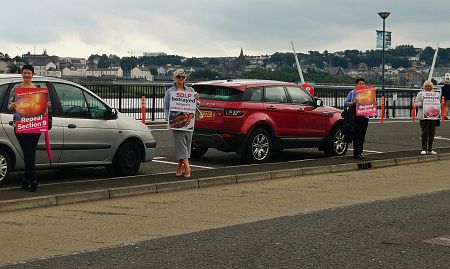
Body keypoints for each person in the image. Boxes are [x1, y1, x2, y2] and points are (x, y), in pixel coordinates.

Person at [8, 65, 42, 191]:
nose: (27, 75)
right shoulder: (16, 89)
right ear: (21, 74)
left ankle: (25, 179)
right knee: (28, 152)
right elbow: (9, 107)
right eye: (25, 73)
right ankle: (33, 180)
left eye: (29, 73)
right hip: (21, 125)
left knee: (30, 153)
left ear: (33, 74)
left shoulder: (37, 89)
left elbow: (41, 106)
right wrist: (13, 105)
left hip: (35, 124)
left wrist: (46, 105)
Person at [163, 69, 197, 179]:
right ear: (174, 78)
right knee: (181, 145)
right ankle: (188, 168)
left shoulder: (191, 90)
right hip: (176, 121)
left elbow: (196, 106)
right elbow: (166, 107)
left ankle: (179, 167)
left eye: (183, 77)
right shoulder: (170, 92)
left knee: (186, 145)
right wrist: (168, 119)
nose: (181, 79)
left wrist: (197, 100)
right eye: (178, 77)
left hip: (188, 121)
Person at [344, 77, 369, 160]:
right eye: (360, 84)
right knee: (357, 135)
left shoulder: (368, 93)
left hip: (365, 117)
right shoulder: (352, 93)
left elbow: (371, 104)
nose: (362, 85)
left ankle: (360, 152)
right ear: (356, 85)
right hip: (356, 117)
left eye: (363, 84)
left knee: (362, 136)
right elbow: (345, 103)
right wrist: (353, 102)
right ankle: (356, 153)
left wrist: (373, 103)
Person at [414, 80, 439, 155]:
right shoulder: (420, 94)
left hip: (433, 116)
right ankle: (424, 148)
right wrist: (422, 102)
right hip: (423, 116)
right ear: (424, 87)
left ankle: (430, 149)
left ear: (432, 87)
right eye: (426, 86)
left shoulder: (434, 94)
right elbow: (415, 104)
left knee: (432, 133)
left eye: (429, 86)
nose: (428, 87)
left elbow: (437, 104)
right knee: (425, 133)